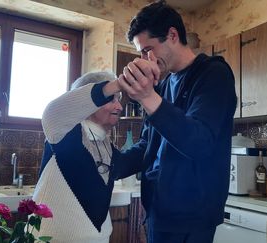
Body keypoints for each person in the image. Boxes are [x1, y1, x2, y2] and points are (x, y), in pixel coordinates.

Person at [116, 1, 238, 242]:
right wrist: (108, 165)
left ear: (172, 35)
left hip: (191, 218)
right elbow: (146, 147)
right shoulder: (161, 87)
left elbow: (200, 143)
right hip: (157, 211)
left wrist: (147, 97)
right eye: (141, 52)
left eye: (148, 49)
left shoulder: (213, 74)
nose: (145, 58)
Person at [32, 71, 123, 243]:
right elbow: (53, 112)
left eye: (119, 99)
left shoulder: (106, 144)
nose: (119, 107)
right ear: (86, 103)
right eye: (112, 99)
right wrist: (119, 83)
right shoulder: (62, 131)